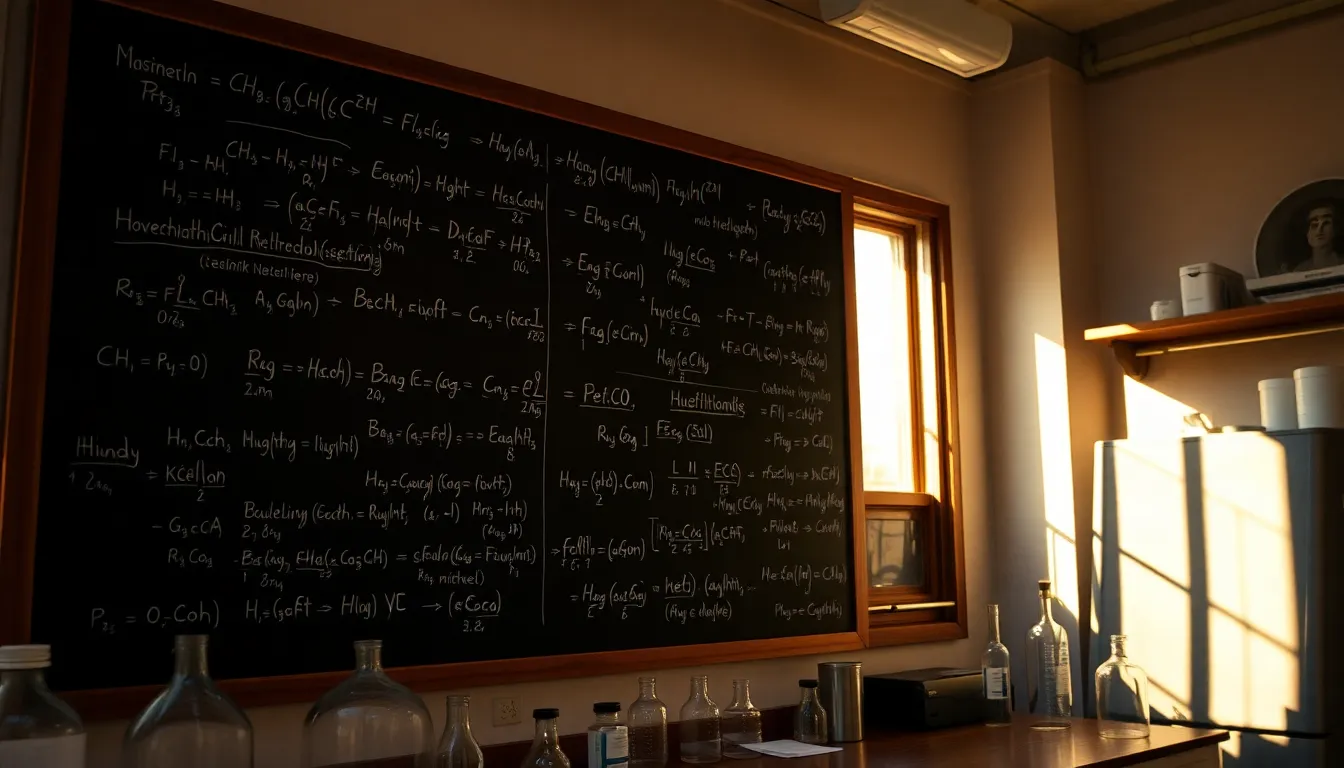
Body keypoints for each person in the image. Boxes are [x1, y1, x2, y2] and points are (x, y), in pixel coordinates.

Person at [1285, 199, 1344, 273]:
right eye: (1314, 224)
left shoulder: (1341, 264)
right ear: (1307, 232)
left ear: (1336, 229)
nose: (1319, 229)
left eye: (1326, 223)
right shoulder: (1299, 271)